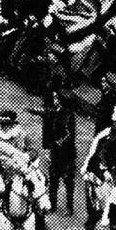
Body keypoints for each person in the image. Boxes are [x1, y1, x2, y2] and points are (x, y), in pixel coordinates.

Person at [40, 84, 78, 217]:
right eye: (54, 97)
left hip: (66, 153)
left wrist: (57, 143)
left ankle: (69, 207)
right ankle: (52, 204)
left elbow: (69, 134)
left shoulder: (68, 115)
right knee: (53, 179)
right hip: (56, 153)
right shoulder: (55, 111)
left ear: (61, 99)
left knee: (68, 181)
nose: (54, 99)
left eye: (56, 97)